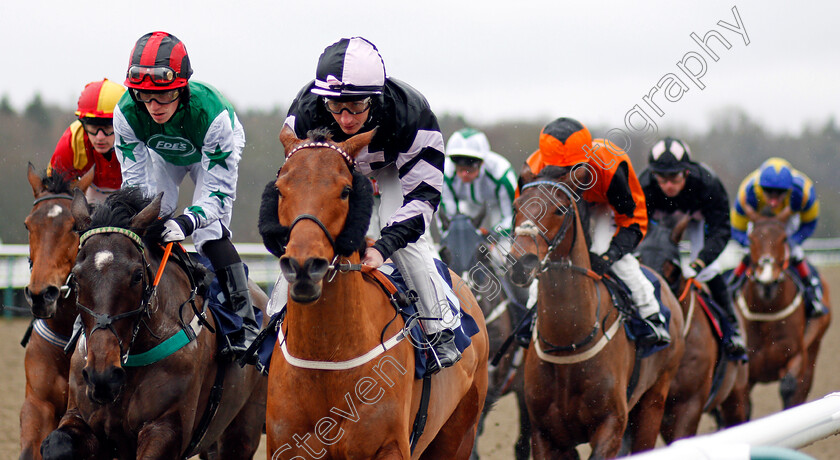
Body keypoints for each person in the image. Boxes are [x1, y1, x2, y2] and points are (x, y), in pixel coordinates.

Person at [282, 36, 460, 373]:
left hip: (393, 170)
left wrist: (385, 246)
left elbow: (423, 196)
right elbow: (295, 186)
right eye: (336, 107)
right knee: (306, 235)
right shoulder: (305, 113)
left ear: (376, 98)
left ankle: (439, 327)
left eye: (357, 106)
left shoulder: (411, 112)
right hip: (333, 172)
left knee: (404, 235)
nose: (346, 119)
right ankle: (273, 323)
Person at [113, 31, 259, 362]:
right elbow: (133, 187)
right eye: (145, 97)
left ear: (181, 88)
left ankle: (246, 322)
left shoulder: (213, 116)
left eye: (163, 97)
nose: (153, 107)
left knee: (209, 233)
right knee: (152, 218)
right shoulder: (126, 114)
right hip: (166, 152)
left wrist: (188, 219)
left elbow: (218, 196)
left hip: (213, 149)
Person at [523, 117, 670, 346]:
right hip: (560, 209)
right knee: (546, 255)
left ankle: (650, 314)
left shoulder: (610, 167)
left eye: (572, 169)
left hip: (604, 207)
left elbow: (632, 219)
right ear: (546, 166)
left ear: (586, 159)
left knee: (603, 250)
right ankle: (531, 315)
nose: (567, 178)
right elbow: (527, 219)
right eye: (559, 171)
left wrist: (610, 255)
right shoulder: (533, 169)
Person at [638, 137, 747, 355]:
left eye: (674, 177)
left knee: (709, 271)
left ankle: (732, 329)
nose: (668, 185)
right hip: (657, 225)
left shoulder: (707, 183)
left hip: (697, 221)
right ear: (653, 174)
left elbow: (721, 230)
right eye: (662, 177)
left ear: (686, 172)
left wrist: (699, 262)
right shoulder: (644, 185)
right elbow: (636, 228)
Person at [730, 157, 827, 317]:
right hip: (758, 222)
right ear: (761, 188)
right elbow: (737, 229)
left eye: (780, 193)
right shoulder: (747, 193)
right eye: (768, 192)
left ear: (789, 190)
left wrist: (793, 241)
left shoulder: (804, 193)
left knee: (796, 253)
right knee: (750, 254)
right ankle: (731, 288)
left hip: (788, 222)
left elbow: (809, 224)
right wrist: (751, 244)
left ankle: (813, 293)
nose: (774, 201)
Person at [49, 79, 126, 203]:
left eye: (107, 128)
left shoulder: (137, 135)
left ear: (122, 124)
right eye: (93, 127)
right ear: (83, 125)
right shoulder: (72, 140)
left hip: (134, 189)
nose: (100, 137)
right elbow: (53, 189)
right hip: (91, 191)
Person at [440, 128, 517, 237]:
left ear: (482, 163)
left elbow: (510, 217)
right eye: (460, 168)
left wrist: (491, 234)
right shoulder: (445, 174)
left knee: (503, 245)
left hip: (497, 207)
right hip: (467, 206)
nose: (464, 174)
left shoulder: (501, 173)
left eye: (469, 169)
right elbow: (448, 217)